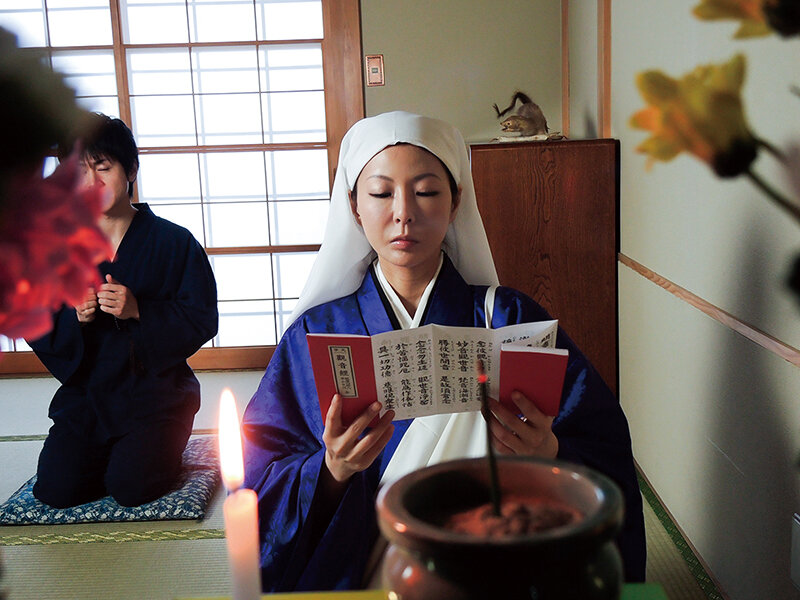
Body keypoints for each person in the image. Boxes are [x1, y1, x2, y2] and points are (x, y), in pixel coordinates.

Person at [242, 111, 646, 591]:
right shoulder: (316, 334)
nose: (403, 213)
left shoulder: (509, 319)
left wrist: (550, 451)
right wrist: (331, 470)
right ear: (354, 206)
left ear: (455, 202)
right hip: (367, 573)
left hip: (497, 566)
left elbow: (603, 444)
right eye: (381, 193)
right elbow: (259, 479)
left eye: (427, 191)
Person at [28, 113, 218, 508]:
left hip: (157, 397)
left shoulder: (174, 242)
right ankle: (115, 454)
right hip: (88, 398)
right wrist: (73, 318)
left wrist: (139, 311)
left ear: (131, 169)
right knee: (56, 490)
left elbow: (201, 317)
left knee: (131, 487)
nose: (91, 182)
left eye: (103, 167)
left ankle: (153, 449)